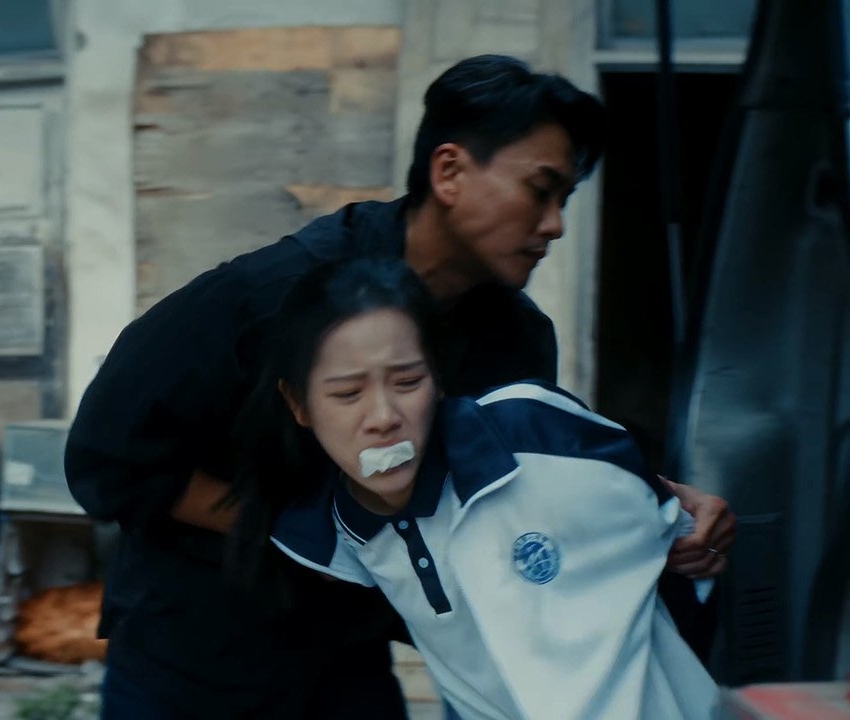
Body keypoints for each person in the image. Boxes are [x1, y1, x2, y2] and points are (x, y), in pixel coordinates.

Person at [65, 54, 736, 719]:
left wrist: (659, 505)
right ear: (449, 171)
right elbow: (106, 455)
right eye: (540, 190)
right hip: (192, 656)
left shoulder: (516, 340)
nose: (555, 224)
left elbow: (520, 487)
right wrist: (317, 537)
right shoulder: (270, 296)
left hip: (349, 655)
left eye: (565, 200)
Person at [227, 257, 720, 720]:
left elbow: (685, 541)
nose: (383, 417)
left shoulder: (537, 436)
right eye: (348, 393)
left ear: (439, 377)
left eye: (407, 382)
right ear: (299, 404)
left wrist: (697, 528)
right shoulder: (330, 542)